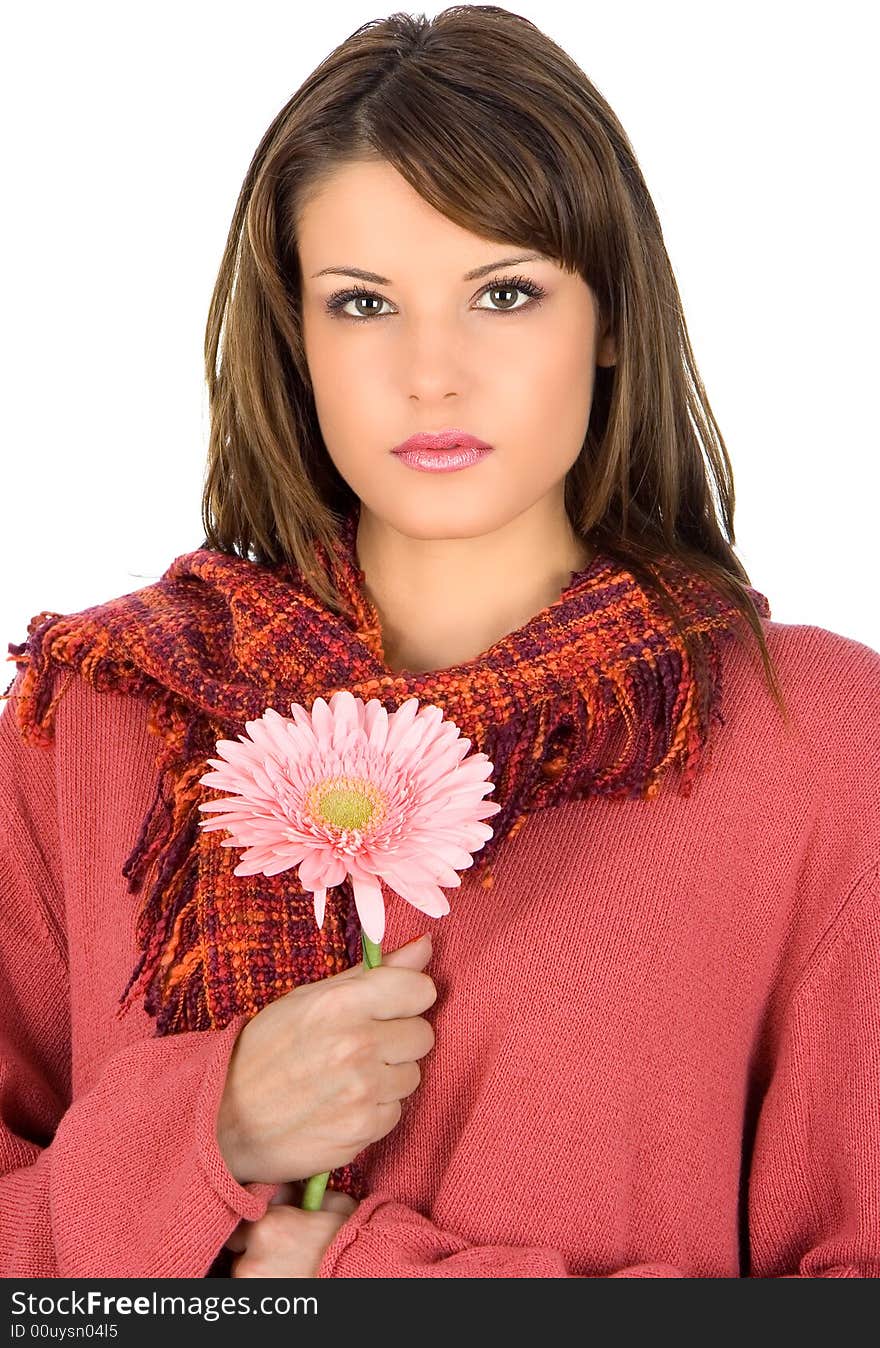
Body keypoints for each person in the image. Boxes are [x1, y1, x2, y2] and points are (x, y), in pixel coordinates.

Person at [2, 6, 878, 1280]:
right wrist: (211, 1129)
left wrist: (355, 1289)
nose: (431, 373)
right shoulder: (100, 715)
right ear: (295, 338)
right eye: (362, 302)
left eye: (505, 293)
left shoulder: (817, 746)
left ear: (612, 318)